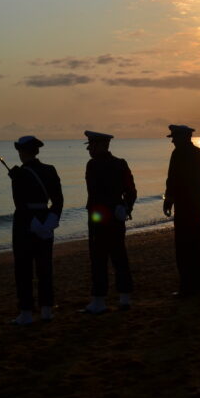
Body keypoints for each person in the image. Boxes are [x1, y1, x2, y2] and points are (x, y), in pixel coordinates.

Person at [8, 135, 63, 324]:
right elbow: (58, 200)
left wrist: (32, 222)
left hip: (24, 223)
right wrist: (51, 220)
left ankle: (26, 313)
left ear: (22, 151)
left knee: (23, 269)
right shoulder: (50, 170)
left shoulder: (20, 173)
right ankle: (46, 309)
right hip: (45, 218)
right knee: (44, 267)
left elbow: (19, 203)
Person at [82, 131, 137, 314]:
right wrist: (126, 208)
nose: (89, 149)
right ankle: (124, 298)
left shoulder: (93, 165)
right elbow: (131, 191)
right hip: (115, 217)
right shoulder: (120, 164)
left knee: (99, 259)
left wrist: (125, 207)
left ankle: (99, 301)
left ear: (101, 146)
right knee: (119, 256)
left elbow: (96, 193)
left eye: (91, 145)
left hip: (99, 217)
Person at [163, 125, 200, 297]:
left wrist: (169, 200)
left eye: (175, 138)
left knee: (184, 247)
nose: (173, 141)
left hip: (186, 208)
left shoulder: (179, 154)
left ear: (184, 137)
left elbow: (172, 180)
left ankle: (187, 287)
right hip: (196, 207)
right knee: (197, 246)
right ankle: (199, 286)